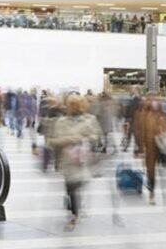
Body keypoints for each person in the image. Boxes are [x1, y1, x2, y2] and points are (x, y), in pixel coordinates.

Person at [48, 95, 101, 231]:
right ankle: (74, 211)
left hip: (82, 159)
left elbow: (96, 137)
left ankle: (74, 210)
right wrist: (70, 140)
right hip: (67, 160)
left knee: (76, 186)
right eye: (70, 104)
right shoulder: (61, 121)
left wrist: (85, 140)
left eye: (75, 105)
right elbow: (52, 141)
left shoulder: (90, 120)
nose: (72, 107)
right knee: (71, 186)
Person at [134, 94, 166, 204]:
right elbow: (139, 131)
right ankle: (151, 193)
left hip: (161, 147)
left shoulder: (161, 114)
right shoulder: (143, 114)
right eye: (152, 99)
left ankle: (161, 194)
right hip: (149, 148)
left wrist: (164, 134)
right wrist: (140, 148)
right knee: (151, 171)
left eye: (156, 99)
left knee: (161, 171)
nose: (154, 101)